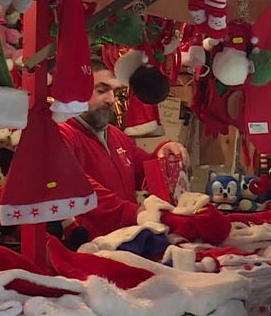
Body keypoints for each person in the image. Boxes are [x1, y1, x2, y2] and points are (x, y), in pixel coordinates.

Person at [57, 58, 188, 239]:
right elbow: (76, 183)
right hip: (88, 247)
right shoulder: (60, 134)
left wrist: (164, 152)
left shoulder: (117, 136)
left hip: (129, 240)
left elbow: (144, 168)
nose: (111, 100)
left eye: (115, 92)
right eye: (102, 91)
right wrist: (133, 213)